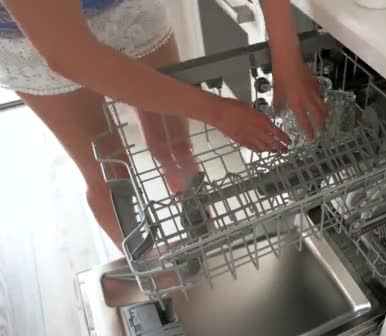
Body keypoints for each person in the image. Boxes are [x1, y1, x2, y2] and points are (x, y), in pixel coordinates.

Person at [0, 0, 327, 247]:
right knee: (110, 176)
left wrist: (287, 55)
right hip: (31, 39)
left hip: (128, 9)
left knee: (176, 147)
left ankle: (200, 232)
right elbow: (71, 55)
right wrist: (219, 112)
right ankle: (163, 284)